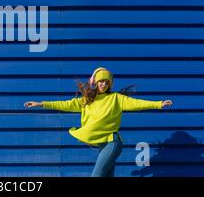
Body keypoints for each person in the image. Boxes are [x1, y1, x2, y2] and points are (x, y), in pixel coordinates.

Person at [24, 67, 173, 177]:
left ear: (110, 84)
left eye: (106, 82)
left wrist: (158, 104)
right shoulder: (87, 100)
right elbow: (64, 104)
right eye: (101, 81)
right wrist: (41, 103)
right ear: (95, 82)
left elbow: (138, 103)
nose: (103, 84)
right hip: (103, 145)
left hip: (112, 142)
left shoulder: (117, 98)